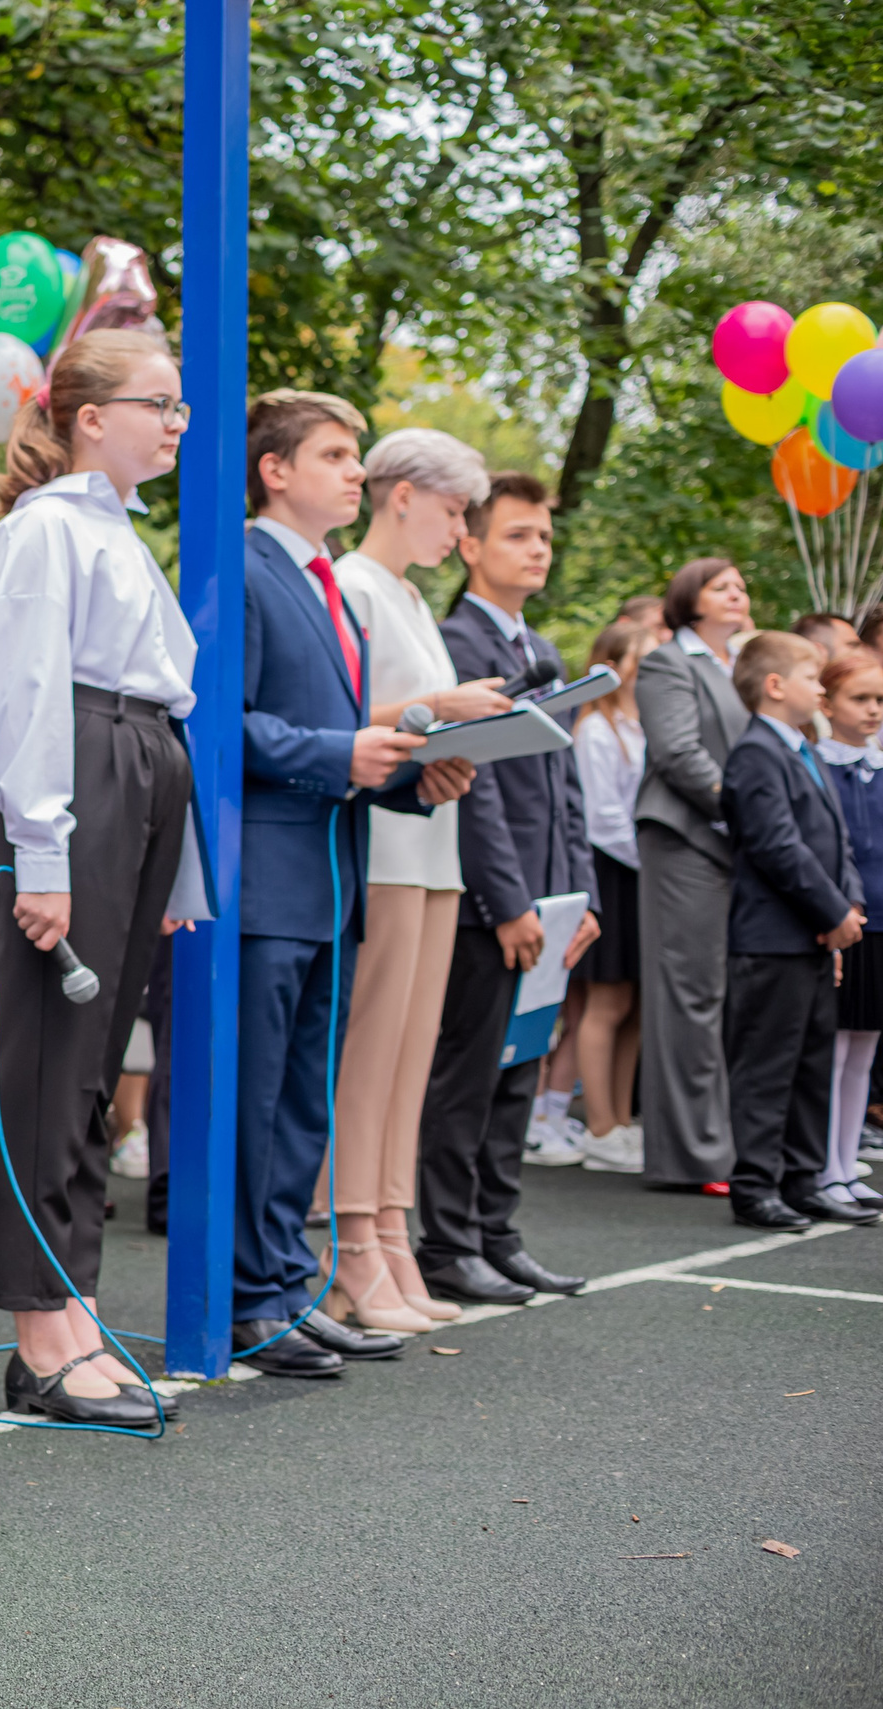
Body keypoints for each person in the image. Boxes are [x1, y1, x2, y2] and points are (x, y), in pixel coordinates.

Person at [0, 331, 208, 1418]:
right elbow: (19, 693)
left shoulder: (114, 528)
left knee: (93, 1062)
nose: (176, 421)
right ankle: (39, 1330)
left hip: (137, 763)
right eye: (156, 402)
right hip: (83, 768)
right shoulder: (40, 531)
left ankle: (72, 1301)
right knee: (49, 1066)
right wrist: (44, 851)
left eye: (176, 403)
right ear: (86, 415)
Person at [232, 391, 472, 1378]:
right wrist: (348, 749)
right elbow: (223, 722)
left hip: (330, 876)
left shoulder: (328, 582)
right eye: (334, 454)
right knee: (257, 1101)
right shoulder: (242, 567)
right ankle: (251, 1298)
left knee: (301, 1104)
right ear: (274, 469)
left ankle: (288, 1284)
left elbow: (355, 746)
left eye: (355, 454)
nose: (354, 471)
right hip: (267, 878)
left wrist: (421, 775)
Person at [325, 427, 506, 1332]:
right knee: (369, 1052)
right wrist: (450, 707)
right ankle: (349, 1239)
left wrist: (459, 720)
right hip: (386, 845)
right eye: (450, 509)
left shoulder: (401, 593)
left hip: (435, 845)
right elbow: (341, 708)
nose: (459, 528)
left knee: (409, 1053)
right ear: (402, 495)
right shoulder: (354, 585)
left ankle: (389, 1227)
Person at [416, 472, 597, 1303]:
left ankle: (499, 1231)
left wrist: (579, 895)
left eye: (545, 537)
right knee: (470, 1072)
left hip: (547, 898)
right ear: (472, 544)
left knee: (519, 1066)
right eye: (520, 535)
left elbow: (565, 788)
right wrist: (509, 903)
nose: (538, 550)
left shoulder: (538, 649)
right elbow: (475, 790)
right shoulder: (460, 646)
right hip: (493, 902)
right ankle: (449, 1242)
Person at [721, 630, 872, 1228]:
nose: (820, 687)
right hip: (772, 938)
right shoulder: (755, 753)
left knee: (811, 1061)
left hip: (810, 935)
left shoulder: (802, 748)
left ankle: (804, 1177)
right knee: (767, 1063)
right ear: (776, 685)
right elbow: (776, 846)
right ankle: (756, 1183)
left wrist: (849, 904)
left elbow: (838, 843)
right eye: (813, 678)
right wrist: (832, 913)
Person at [634, 557, 755, 1189]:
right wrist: (752, 813)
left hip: (740, 843)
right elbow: (680, 754)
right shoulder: (667, 663)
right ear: (691, 598)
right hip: (686, 840)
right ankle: (691, 1155)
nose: (738, 594)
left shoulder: (740, 666)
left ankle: (732, 1139)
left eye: (741, 586)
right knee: (690, 997)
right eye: (722, 586)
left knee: (729, 996)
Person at [569, 620, 659, 1174]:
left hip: (641, 871)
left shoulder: (642, 723)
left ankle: (623, 1120)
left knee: (635, 1004)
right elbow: (602, 818)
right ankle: (599, 1125)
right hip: (613, 870)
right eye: (640, 659)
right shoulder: (596, 729)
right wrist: (652, 863)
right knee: (606, 1001)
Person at [816, 646, 883, 1212]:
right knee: (833, 1048)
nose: (872, 710)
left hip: (882, 922)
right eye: (859, 698)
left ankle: (844, 1163)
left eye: (880, 700)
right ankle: (823, 1167)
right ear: (828, 701)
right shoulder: (817, 766)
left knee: (864, 1047)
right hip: (843, 923)